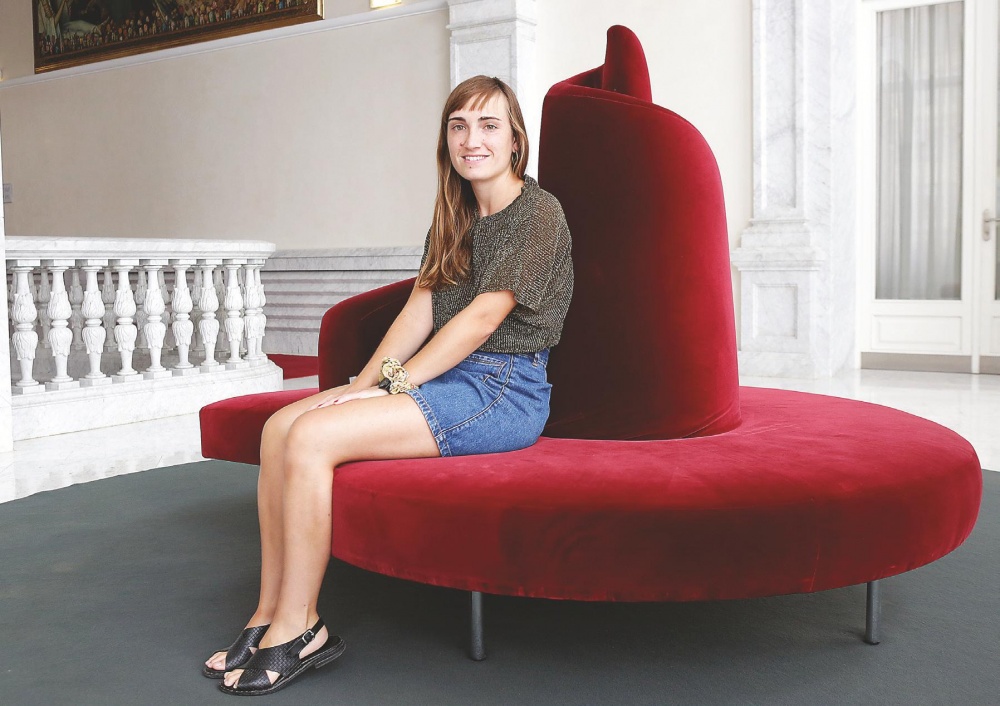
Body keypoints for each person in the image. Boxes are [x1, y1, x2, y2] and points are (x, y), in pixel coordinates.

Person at [205, 75, 574, 696]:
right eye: (459, 126)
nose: (472, 140)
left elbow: (481, 320)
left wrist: (395, 386)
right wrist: (361, 383)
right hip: (447, 376)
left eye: (489, 125)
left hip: (502, 389)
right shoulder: (454, 214)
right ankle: (266, 615)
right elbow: (419, 310)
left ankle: (301, 627)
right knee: (279, 428)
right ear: (446, 140)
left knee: (313, 437)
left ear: (516, 140)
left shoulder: (539, 213)